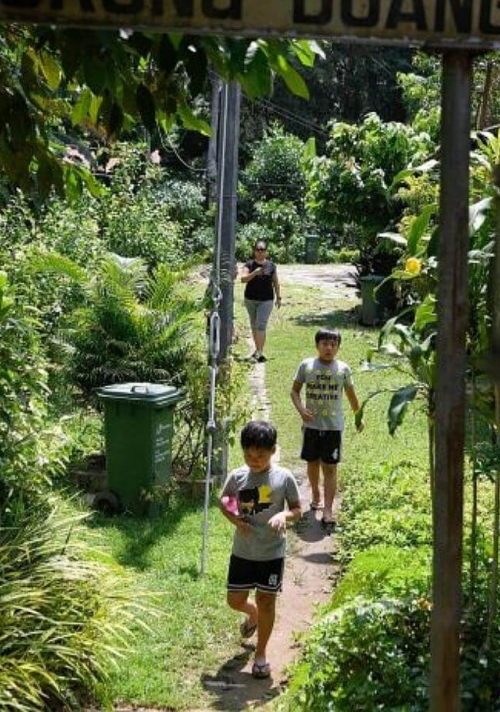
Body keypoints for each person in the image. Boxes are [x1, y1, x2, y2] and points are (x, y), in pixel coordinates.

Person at [219, 420, 301, 680]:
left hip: (271, 553)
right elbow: (226, 501)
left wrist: (284, 516)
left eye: (260, 456)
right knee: (235, 601)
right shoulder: (238, 476)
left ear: (273, 450)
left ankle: (261, 654)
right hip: (243, 551)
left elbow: (298, 509)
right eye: (249, 455)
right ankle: (251, 614)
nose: (254, 460)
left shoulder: (283, 478)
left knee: (267, 600)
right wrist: (235, 520)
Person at [290, 328, 363, 531]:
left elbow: (351, 395)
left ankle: (328, 510)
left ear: (338, 347)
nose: (329, 348)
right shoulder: (306, 366)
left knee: (330, 467)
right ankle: (315, 494)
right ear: (317, 345)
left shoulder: (343, 369)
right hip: (311, 426)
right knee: (312, 462)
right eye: (325, 344)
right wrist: (302, 410)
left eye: (333, 344)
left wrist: (358, 417)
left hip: (333, 428)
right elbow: (295, 391)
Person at [238, 240, 281, 362]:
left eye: (263, 250)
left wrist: (279, 297)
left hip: (266, 300)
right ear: (254, 251)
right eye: (258, 250)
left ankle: (260, 353)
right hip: (250, 299)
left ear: (266, 252)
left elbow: (276, 282)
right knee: (253, 325)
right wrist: (255, 273)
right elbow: (243, 279)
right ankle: (257, 351)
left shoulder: (271, 266)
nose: (260, 252)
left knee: (260, 325)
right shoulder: (249, 264)